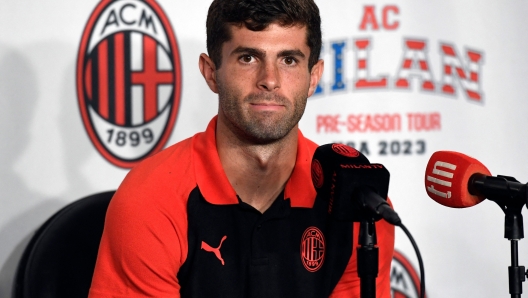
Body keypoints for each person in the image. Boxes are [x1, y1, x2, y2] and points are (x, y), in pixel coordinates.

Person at [89, 0, 395, 297]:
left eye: (289, 60)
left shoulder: (356, 199)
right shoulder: (152, 196)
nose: (270, 81)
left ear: (313, 77)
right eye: (248, 58)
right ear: (211, 73)